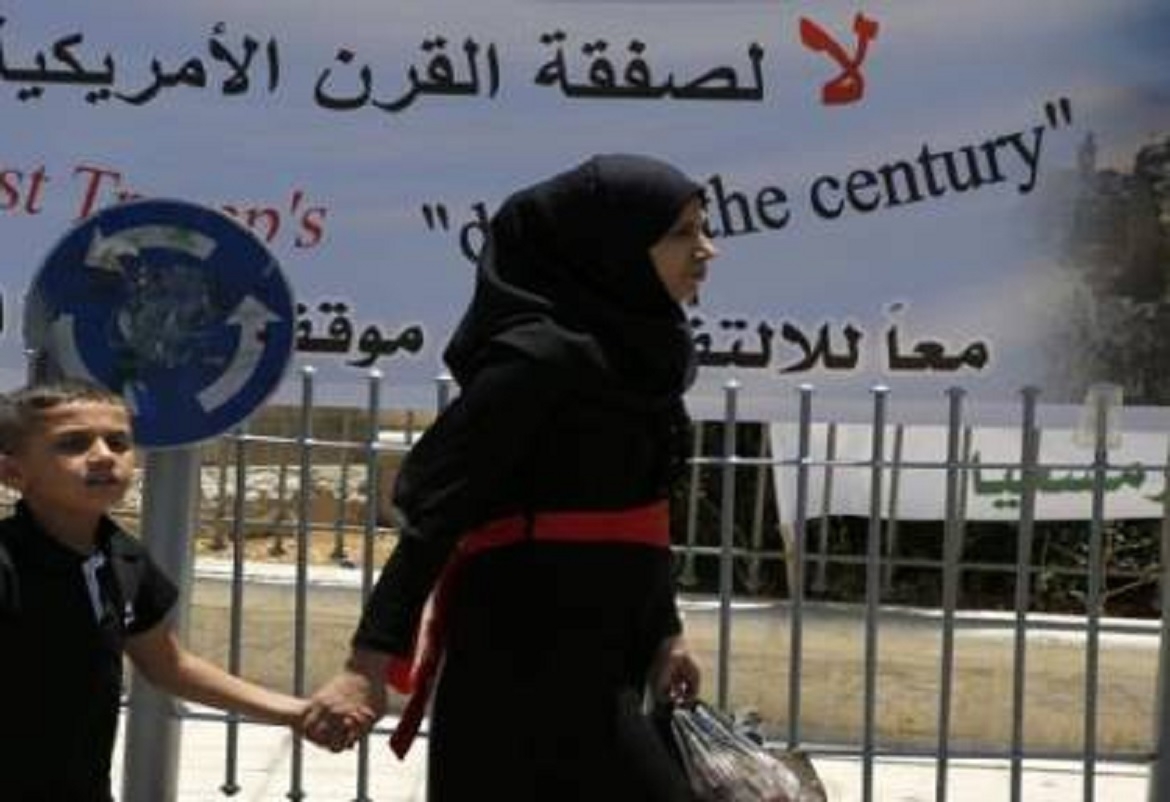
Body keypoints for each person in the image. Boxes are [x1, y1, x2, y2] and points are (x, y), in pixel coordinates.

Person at [304, 153, 718, 801]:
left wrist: (666, 631)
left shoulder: (644, 355)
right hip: (526, 652)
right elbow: (438, 516)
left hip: (607, 654)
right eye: (682, 232)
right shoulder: (537, 361)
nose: (706, 249)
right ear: (610, 248)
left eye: (702, 227)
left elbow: (640, 509)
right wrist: (367, 664)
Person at [0, 379, 308, 802]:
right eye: (73, 443)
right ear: (13, 473)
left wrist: (296, 712)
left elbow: (169, 665)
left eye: (118, 442)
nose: (103, 456)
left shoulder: (123, 557)